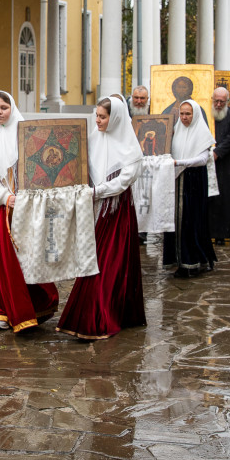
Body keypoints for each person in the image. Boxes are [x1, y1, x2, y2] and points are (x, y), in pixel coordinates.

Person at [56, 95, 145, 340]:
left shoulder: (129, 147)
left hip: (116, 213)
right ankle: (99, 313)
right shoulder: (93, 140)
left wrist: (98, 191)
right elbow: (80, 166)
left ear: (114, 118)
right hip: (93, 211)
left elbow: (125, 180)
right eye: (96, 115)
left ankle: (100, 315)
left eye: (102, 117)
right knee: (92, 259)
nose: (97, 121)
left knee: (109, 263)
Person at [0, 90, 58, 333]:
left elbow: (38, 166)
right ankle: (5, 310)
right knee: (3, 259)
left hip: (27, 205)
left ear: (12, 108)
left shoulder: (27, 135)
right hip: (0, 208)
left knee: (29, 255)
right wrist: (4, 197)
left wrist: (27, 195)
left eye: (4, 107)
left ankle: (37, 304)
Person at [163, 99, 217, 274]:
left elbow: (202, 159)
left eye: (188, 114)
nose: (184, 117)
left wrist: (180, 162)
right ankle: (179, 261)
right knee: (176, 221)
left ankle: (193, 261)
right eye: (182, 113)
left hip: (194, 180)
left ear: (195, 114)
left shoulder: (202, 133)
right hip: (177, 179)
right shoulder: (176, 130)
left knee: (191, 221)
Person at [209, 87, 230, 245]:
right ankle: (211, 231)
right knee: (213, 198)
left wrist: (217, 152)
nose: (218, 104)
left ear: (227, 102)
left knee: (228, 197)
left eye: (221, 102)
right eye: (215, 101)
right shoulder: (208, 113)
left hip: (228, 161)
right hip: (209, 161)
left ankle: (226, 232)